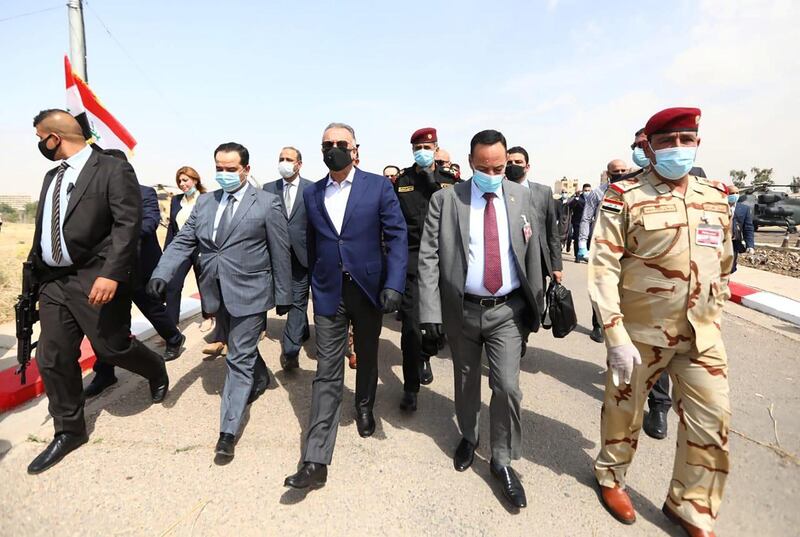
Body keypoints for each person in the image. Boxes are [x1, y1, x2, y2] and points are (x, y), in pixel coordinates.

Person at [589, 107, 732, 536]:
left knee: (713, 422)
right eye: (668, 142)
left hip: (701, 336)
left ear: (698, 144)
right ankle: (610, 477)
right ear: (649, 147)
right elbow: (603, 268)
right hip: (640, 335)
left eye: (686, 140)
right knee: (623, 414)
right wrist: (614, 333)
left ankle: (691, 506)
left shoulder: (716, 196)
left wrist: (712, 308)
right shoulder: (624, 197)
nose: (678, 149)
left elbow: (722, 263)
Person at [26, 109, 168, 474]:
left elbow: (127, 223)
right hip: (54, 280)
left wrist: (112, 273)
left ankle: (153, 367)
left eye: (41, 137)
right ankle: (69, 430)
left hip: (96, 277)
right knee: (53, 356)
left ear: (55, 137)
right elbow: (47, 227)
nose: (40, 144)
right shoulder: (51, 176)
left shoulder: (111, 168)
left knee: (111, 346)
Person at [418, 129, 545, 509]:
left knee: (506, 386)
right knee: (466, 379)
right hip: (462, 310)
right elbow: (428, 257)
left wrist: (537, 305)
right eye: (484, 167)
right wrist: (430, 312)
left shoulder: (521, 196)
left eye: (500, 166)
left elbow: (531, 250)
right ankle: (469, 436)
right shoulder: (446, 199)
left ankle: (503, 460)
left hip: (507, 311)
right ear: (471, 164)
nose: (493, 173)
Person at [147, 142, 292, 460]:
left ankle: (227, 432)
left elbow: (280, 251)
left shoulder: (267, 203)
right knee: (240, 344)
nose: (224, 175)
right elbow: (185, 239)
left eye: (231, 169)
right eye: (219, 169)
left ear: (246, 170)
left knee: (237, 359)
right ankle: (261, 373)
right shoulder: (206, 202)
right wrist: (163, 273)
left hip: (251, 291)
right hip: (214, 290)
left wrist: (285, 296)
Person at [284, 122, 407, 490]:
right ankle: (315, 460)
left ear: (355, 148)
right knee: (326, 369)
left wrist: (393, 284)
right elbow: (311, 240)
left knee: (368, 356)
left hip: (369, 290)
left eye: (341, 143)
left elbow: (397, 237)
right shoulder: (313, 193)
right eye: (327, 144)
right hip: (328, 292)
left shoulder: (378, 187)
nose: (334, 148)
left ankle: (365, 405)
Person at [83, 149, 185, 398]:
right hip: (108, 271)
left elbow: (150, 223)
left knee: (152, 308)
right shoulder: (96, 194)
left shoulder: (145, 192)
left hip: (139, 265)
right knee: (108, 323)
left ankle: (173, 337)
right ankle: (105, 372)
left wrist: (118, 237)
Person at [392, 127, 458, 411]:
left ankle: (426, 354)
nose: (422, 151)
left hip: (446, 262)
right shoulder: (402, 182)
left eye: (427, 146)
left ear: (435, 148)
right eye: (418, 147)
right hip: (413, 264)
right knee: (411, 329)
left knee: (439, 328)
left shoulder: (451, 182)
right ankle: (410, 388)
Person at [263, 147, 313, 369]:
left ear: (299, 164)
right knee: (283, 297)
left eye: (289, 159)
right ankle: (301, 329)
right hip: (275, 255)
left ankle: (291, 351)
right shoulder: (268, 189)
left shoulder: (312, 189)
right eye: (281, 158)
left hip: (302, 255)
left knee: (298, 301)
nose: (284, 162)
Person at [577, 159, 629, 343]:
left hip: (627, 248)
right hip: (602, 246)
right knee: (600, 286)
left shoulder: (634, 191)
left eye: (624, 170)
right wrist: (582, 244)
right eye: (617, 171)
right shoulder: (598, 193)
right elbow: (586, 218)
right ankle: (598, 324)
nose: (621, 173)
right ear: (608, 173)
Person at [506, 146, 563, 284]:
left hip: (537, 262)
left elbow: (552, 233)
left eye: (518, 162)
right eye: (509, 163)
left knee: (537, 302)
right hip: (508, 263)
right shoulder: (499, 191)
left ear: (527, 166)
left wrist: (556, 266)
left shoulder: (543, 192)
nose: (514, 166)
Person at [728, 184, 755, 273]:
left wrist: (750, 245)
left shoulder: (744, 209)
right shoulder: (719, 207)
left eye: (737, 193)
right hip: (720, 242)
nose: (735, 195)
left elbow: (748, 228)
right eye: (732, 193)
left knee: (731, 267)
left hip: (734, 243)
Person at [568, 183, 593, 262]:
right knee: (577, 238)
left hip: (589, 223)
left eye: (589, 190)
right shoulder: (579, 198)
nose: (587, 192)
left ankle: (586, 255)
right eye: (585, 190)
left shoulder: (593, 199)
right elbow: (570, 205)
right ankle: (577, 256)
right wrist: (576, 198)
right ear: (583, 190)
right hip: (578, 222)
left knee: (588, 239)